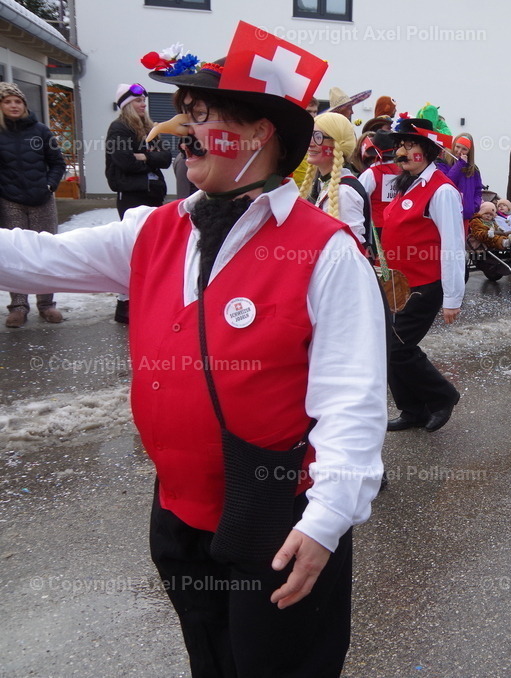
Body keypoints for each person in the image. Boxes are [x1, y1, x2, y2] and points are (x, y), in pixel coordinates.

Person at [0, 32, 387, 675]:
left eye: (201, 116)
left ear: (259, 134)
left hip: (277, 517)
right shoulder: (156, 229)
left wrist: (326, 521)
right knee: (211, 660)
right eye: (183, 113)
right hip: (179, 513)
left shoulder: (326, 250)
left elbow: (352, 399)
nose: (182, 130)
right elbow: (35, 257)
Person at [379, 118, 465, 433]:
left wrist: (452, 298)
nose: (401, 152)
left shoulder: (442, 191)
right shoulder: (408, 184)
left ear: (427, 151)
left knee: (398, 347)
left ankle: (442, 396)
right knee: (388, 347)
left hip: (424, 285)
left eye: (409, 145)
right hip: (397, 285)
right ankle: (412, 409)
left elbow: (453, 246)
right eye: (399, 146)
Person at [105, 82, 172, 324]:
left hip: (152, 193)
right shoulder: (119, 128)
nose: (143, 104)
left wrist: (144, 156)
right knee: (133, 249)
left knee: (151, 248)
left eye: (144, 100)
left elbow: (166, 159)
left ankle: (147, 299)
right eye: (137, 101)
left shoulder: (150, 128)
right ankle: (125, 304)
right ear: (126, 104)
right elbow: (124, 162)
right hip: (132, 195)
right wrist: (151, 158)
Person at [0, 81, 66, 328]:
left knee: (44, 252)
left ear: (24, 105)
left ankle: (46, 304)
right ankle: (18, 306)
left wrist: (49, 185)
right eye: (7, 101)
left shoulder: (41, 131)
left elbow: (57, 163)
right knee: (16, 253)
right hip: (10, 201)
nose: (13, 105)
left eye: (18, 101)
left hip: (42, 200)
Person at [299, 112, 368, 245]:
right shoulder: (326, 183)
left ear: (336, 144)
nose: (310, 143)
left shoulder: (345, 192)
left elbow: (353, 246)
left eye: (318, 137)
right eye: (310, 135)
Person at [442, 133, 483, 223]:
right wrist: (460, 164)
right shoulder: (443, 163)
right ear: (453, 146)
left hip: (465, 216)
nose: (459, 151)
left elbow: (478, 191)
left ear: (469, 151)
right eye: (457, 147)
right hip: (447, 214)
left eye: (464, 149)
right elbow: (447, 183)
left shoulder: (473, 169)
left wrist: (474, 206)